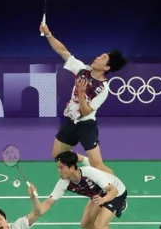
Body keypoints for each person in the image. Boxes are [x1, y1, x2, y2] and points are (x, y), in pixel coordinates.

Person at [40, 21, 126, 172]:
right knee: (58, 155)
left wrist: (81, 93)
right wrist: (48, 34)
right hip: (71, 120)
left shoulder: (103, 89)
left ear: (106, 67)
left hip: (86, 125)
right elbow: (63, 51)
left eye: (102, 58)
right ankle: (84, 160)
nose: (97, 58)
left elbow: (86, 112)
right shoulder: (82, 70)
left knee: (97, 165)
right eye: (99, 55)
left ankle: (116, 185)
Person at [33, 151, 135, 229]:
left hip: (116, 193)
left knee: (100, 225)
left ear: (72, 167)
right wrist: (34, 208)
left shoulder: (90, 173)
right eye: (58, 168)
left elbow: (113, 190)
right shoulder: (63, 183)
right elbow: (48, 202)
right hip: (97, 196)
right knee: (86, 225)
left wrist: (103, 200)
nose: (59, 171)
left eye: (62, 168)